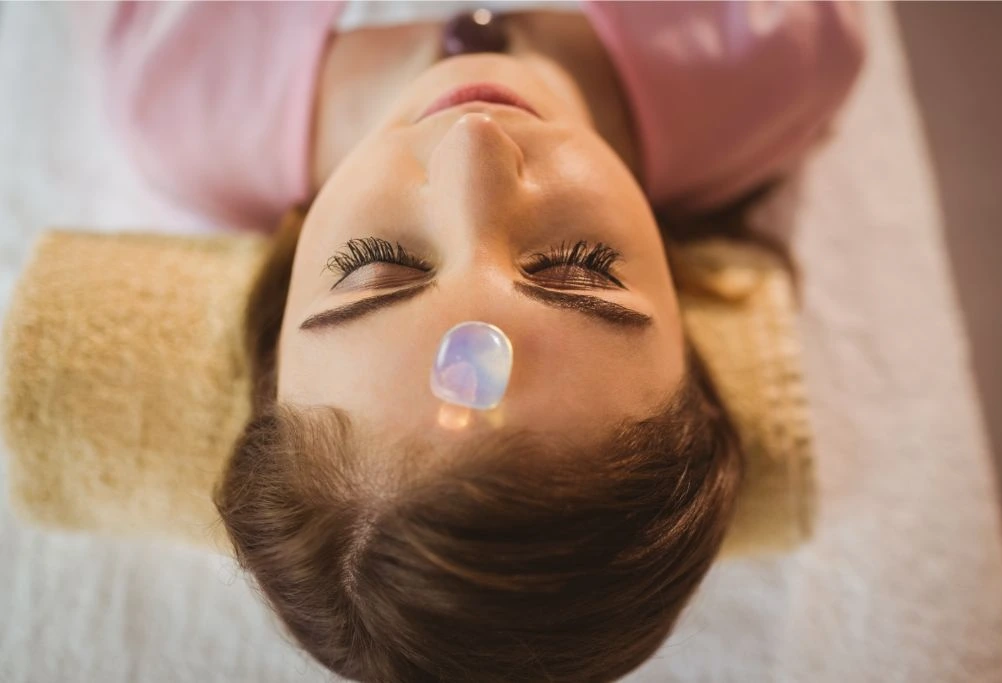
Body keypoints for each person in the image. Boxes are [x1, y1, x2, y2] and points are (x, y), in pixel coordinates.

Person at [99, 3, 864, 680]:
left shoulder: (173, 84)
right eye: (576, 267)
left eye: (378, 266)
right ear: (692, 341)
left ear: (275, 325)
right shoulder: (777, 52)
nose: (475, 144)